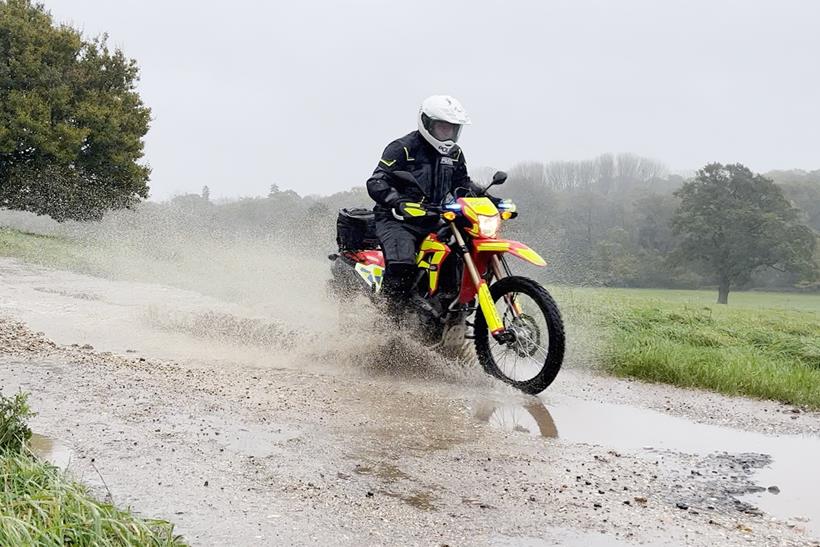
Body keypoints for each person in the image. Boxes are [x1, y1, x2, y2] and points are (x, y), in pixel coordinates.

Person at [365, 95, 486, 316]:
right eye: (442, 127)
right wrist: (397, 201)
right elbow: (376, 181)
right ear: (427, 123)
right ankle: (386, 320)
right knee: (402, 265)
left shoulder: (455, 153)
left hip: (435, 218)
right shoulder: (402, 148)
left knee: (460, 252)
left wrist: (489, 199)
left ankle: (448, 306)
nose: (447, 133)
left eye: (452, 128)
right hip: (398, 220)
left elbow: (463, 184)